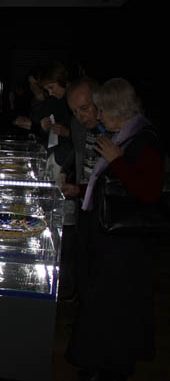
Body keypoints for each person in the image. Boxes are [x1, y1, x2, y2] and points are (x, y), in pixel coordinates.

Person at [65, 78, 166, 381]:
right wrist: (80, 189)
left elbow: (148, 192)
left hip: (126, 243)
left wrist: (118, 161)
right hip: (112, 238)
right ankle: (98, 363)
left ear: (116, 109)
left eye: (101, 110)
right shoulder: (125, 135)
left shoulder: (143, 139)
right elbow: (111, 185)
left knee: (117, 309)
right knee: (104, 306)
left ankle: (112, 370)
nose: (97, 116)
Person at [58, 76, 102, 302]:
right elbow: (77, 151)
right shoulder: (77, 125)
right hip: (82, 199)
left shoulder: (113, 129)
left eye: (84, 108)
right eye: (75, 111)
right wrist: (65, 170)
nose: (80, 116)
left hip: (102, 205)